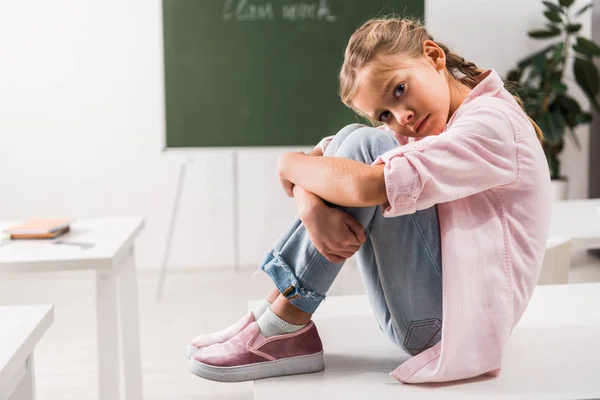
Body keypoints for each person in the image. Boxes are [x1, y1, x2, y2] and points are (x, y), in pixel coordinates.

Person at [185, 16, 551, 384]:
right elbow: (325, 164)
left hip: (450, 328)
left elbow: (363, 185)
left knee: (366, 147)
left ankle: (284, 321)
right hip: (420, 316)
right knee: (352, 136)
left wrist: (288, 164)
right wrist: (311, 207)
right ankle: (276, 314)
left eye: (399, 90)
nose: (402, 117)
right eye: (385, 115)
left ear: (433, 56)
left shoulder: (491, 124)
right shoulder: (429, 123)